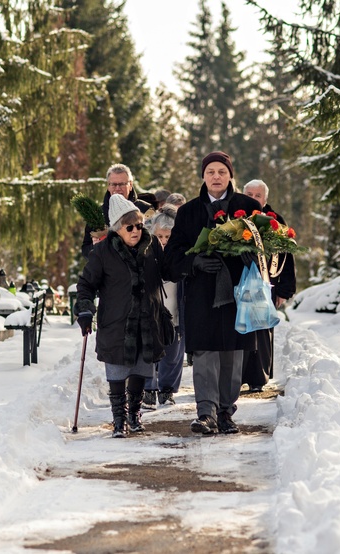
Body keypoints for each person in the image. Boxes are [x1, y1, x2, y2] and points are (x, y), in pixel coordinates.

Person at [163, 151, 262, 435]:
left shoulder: (248, 206)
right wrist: (194, 262)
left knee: (232, 353)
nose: (216, 176)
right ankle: (206, 412)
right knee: (205, 353)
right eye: (210, 172)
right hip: (201, 295)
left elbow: (267, 246)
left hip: (237, 292)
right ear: (203, 176)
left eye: (221, 171)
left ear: (230, 175)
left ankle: (226, 412)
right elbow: (172, 256)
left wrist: (249, 255)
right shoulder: (188, 212)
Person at [75, 194, 171, 438]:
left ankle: (134, 415)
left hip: (147, 320)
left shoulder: (151, 248)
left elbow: (167, 271)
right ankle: (119, 420)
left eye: (139, 225)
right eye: (130, 227)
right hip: (117, 323)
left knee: (141, 370)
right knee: (117, 373)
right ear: (117, 229)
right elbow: (86, 284)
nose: (136, 230)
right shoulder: (103, 253)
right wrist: (85, 310)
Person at [241, 179, 297, 392]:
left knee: (262, 332)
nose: (253, 199)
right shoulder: (235, 220)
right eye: (249, 194)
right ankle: (237, 376)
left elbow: (287, 257)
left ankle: (258, 378)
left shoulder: (276, 221)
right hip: (241, 286)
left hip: (267, 285)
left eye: (257, 195)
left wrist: (284, 290)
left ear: (265, 199)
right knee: (240, 330)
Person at [141, 208, 185, 409]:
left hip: (175, 309)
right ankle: (148, 388)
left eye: (168, 236)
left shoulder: (178, 253)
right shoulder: (146, 252)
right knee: (149, 349)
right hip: (153, 310)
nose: (164, 240)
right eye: (159, 236)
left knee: (174, 351)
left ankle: (167, 390)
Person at [81, 164, 153, 258]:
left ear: (130, 185)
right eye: (114, 184)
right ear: (108, 186)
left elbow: (157, 242)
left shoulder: (146, 209)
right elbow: (85, 249)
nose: (118, 188)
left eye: (122, 184)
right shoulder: (96, 214)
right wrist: (95, 247)